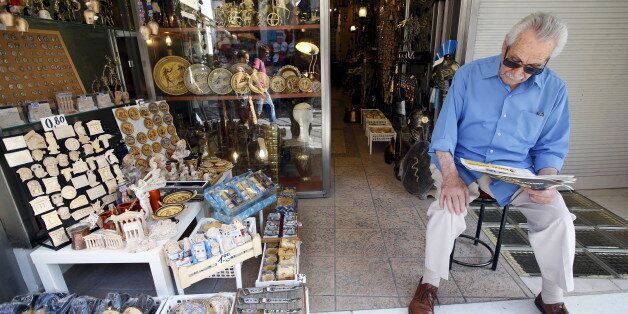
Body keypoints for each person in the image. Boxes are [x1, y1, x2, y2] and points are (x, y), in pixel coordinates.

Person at [409, 12, 572, 314]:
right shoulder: (469, 75)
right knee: (446, 210)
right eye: (513, 61)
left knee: (558, 216)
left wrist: (546, 180)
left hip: (515, 171)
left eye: (533, 68)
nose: (519, 73)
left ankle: (550, 296)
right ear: (505, 46)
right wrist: (451, 177)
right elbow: (443, 137)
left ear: (546, 63)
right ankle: (429, 283)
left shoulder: (555, 90)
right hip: (462, 164)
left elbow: (550, 148)